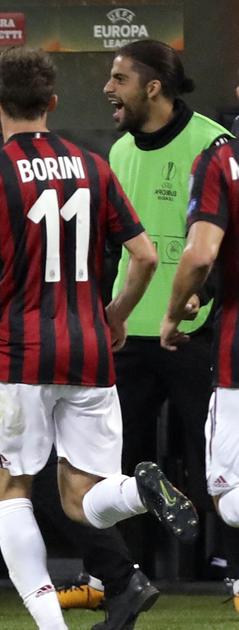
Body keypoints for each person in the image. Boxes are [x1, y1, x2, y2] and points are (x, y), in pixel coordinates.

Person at [0, 47, 198, 630]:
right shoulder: (93, 164)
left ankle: (50, 626)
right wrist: (116, 315)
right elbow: (142, 257)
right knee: (81, 498)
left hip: (18, 356)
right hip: (90, 351)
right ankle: (140, 493)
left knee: (9, 494)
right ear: (53, 103)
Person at [101, 39, 235, 581]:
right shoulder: (117, 153)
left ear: (153, 87)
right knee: (120, 459)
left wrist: (205, 292)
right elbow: (115, 247)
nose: (108, 89)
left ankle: (224, 567)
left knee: (213, 462)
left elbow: (221, 242)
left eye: (119, 79)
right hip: (127, 331)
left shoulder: (214, 145)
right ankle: (127, 573)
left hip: (192, 331)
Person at [162, 129, 239, 618]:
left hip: (238, 359)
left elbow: (202, 252)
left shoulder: (222, 159)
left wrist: (173, 310)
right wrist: (202, 293)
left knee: (226, 495)